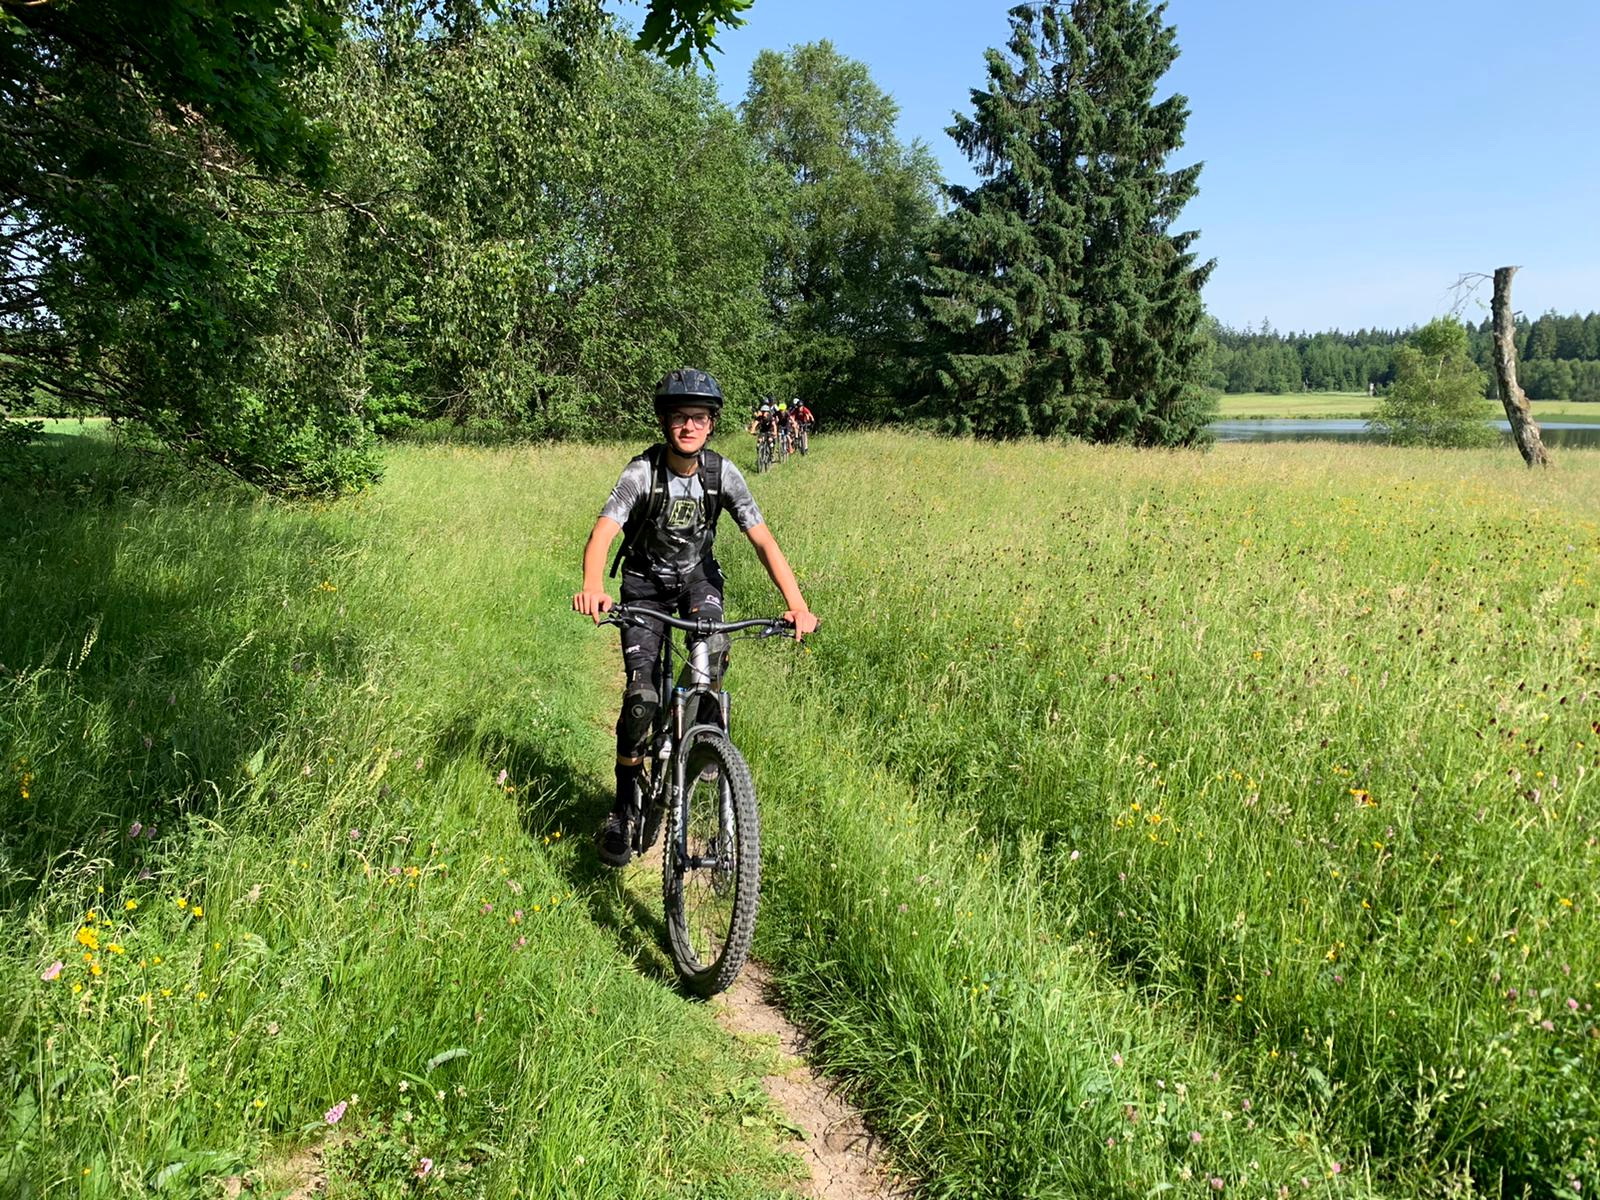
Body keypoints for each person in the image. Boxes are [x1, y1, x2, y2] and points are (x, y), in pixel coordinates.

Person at [571, 368, 819, 867]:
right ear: (665, 422)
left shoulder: (722, 474)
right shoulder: (642, 473)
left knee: (716, 643)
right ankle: (622, 807)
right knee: (641, 699)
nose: (689, 427)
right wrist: (594, 588)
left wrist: (797, 604)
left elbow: (762, 539)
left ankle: (699, 728)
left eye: (699, 419)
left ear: (710, 425)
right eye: (680, 418)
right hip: (643, 586)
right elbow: (602, 533)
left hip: (697, 580)